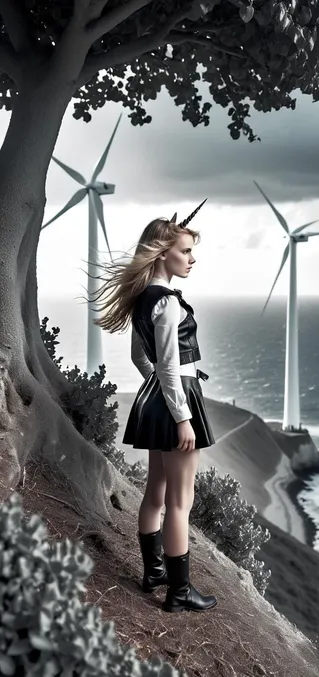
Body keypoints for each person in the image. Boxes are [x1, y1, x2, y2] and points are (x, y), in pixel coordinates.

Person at [93, 200, 217, 613]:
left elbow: (140, 358)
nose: (192, 259)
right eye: (185, 251)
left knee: (156, 492)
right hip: (174, 404)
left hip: (158, 401)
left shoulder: (143, 298)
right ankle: (179, 594)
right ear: (163, 252)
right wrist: (182, 412)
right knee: (182, 501)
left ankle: (154, 572)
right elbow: (165, 364)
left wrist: (167, 380)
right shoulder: (167, 303)